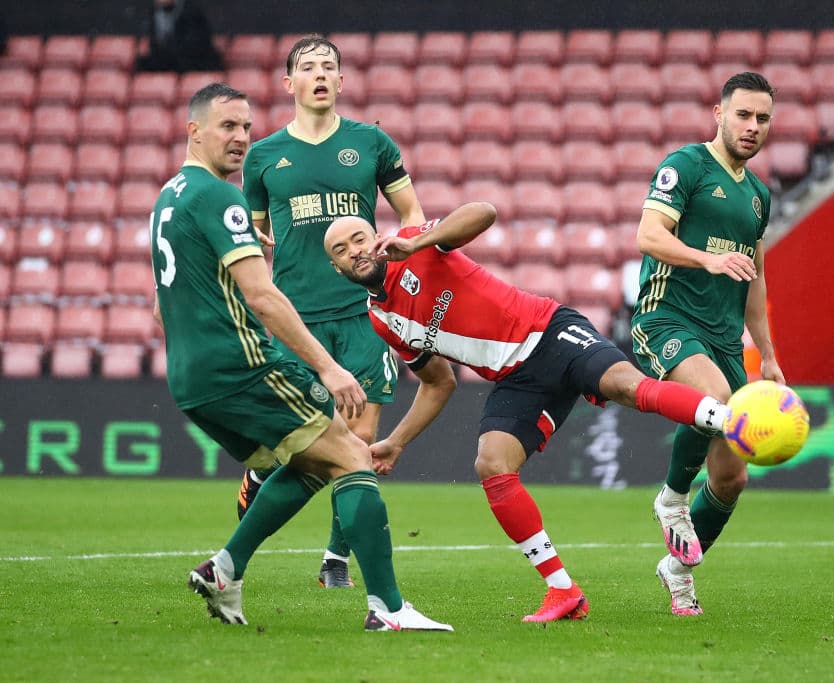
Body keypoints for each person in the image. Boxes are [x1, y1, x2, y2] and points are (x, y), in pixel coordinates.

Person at [323, 202, 733, 623]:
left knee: (625, 387)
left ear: (375, 236)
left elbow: (484, 212)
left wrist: (419, 242)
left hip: (549, 330)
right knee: (492, 462)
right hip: (518, 378)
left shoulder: (415, 243)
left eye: (359, 239)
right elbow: (438, 382)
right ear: (337, 269)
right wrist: (396, 442)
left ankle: (733, 423)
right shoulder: (382, 320)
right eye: (341, 250)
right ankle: (563, 591)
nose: (354, 251)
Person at [153, 82, 450, 631]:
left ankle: (225, 569)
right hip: (240, 365)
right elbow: (263, 297)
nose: (241, 137)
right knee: (353, 456)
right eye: (227, 126)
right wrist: (328, 367)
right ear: (194, 131)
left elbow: (158, 305)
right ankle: (387, 609)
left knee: (315, 461)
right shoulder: (219, 196)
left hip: (188, 376)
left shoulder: (168, 198)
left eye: (245, 126)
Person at [238, 34, 426, 589]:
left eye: (329, 67)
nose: (319, 74)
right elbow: (252, 226)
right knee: (302, 445)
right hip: (296, 319)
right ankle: (259, 472)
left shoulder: (371, 143)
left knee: (361, 440)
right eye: (308, 67)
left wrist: (402, 242)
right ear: (288, 83)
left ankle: (335, 559)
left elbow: (411, 211)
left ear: (341, 82)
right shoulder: (264, 156)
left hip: (364, 312)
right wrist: (261, 237)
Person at [630, 72, 783, 617]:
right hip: (665, 317)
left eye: (762, 118)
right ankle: (671, 500)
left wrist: (766, 353)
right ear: (718, 113)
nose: (752, 127)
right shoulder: (685, 166)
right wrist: (707, 258)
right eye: (743, 114)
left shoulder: (759, 195)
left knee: (732, 476)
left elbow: (755, 278)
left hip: (721, 338)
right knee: (713, 397)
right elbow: (648, 236)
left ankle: (677, 573)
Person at [135, 0, 224, 73]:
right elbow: (154, 42)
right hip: (168, 59)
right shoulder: (154, 12)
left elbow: (197, 42)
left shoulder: (191, 10)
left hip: (193, 59)